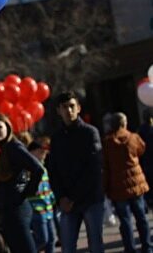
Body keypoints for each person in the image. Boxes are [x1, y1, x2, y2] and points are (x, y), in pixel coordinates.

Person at [47, 91, 104, 253]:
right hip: (66, 202)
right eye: (64, 107)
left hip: (90, 199)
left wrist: (72, 197)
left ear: (78, 108)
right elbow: (53, 170)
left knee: (95, 245)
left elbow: (94, 169)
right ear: (58, 110)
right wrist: (61, 197)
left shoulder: (90, 132)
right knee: (68, 246)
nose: (68, 110)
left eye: (72, 106)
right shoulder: (57, 138)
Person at [0, 113, 44, 253]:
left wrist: (25, 193)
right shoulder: (1, 150)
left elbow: (38, 169)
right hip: (8, 211)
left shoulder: (14, 147)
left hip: (17, 210)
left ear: (7, 127)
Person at [103, 112, 151, 253]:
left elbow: (105, 166)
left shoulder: (107, 142)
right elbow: (142, 149)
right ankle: (147, 247)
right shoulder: (133, 137)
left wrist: (105, 187)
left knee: (125, 220)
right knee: (141, 218)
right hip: (136, 184)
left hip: (118, 188)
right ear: (124, 123)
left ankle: (130, 249)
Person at [28, 140, 57, 253]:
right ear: (31, 152)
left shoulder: (43, 168)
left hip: (48, 208)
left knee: (51, 239)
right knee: (42, 240)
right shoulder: (28, 169)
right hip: (37, 209)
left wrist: (53, 200)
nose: (43, 154)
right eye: (40, 151)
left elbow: (47, 187)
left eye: (44, 152)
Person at [138, 110, 153, 207]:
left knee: (149, 182)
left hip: (146, 160)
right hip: (148, 159)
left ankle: (150, 200)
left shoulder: (140, 130)